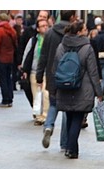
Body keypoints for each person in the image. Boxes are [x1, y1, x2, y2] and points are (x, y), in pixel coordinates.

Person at [53, 20, 103, 159]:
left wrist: (53, 88)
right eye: (85, 29)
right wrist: (99, 92)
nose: (87, 31)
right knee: (77, 119)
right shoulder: (87, 47)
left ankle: (71, 148)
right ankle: (71, 148)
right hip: (83, 88)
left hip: (65, 86)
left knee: (69, 117)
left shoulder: (61, 46)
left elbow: (55, 67)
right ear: (80, 32)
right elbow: (93, 72)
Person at [37, 10, 78, 151]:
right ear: (72, 17)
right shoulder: (73, 33)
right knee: (67, 109)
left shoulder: (49, 33)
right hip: (69, 75)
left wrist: (39, 75)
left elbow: (43, 56)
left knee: (54, 104)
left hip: (52, 75)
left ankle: (48, 126)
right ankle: (65, 143)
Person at [21, 16, 50, 125]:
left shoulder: (50, 40)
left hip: (47, 71)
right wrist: (24, 68)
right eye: (42, 26)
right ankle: (38, 116)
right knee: (36, 94)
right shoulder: (33, 40)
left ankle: (45, 115)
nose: (45, 28)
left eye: (46, 25)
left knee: (46, 94)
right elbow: (27, 54)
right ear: (37, 29)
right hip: (34, 71)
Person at [0, 13, 18, 108]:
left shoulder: (0, 31)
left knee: (3, 79)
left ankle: (5, 99)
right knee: (8, 78)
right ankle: (10, 98)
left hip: (1, 58)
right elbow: (15, 45)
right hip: (10, 58)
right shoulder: (12, 31)